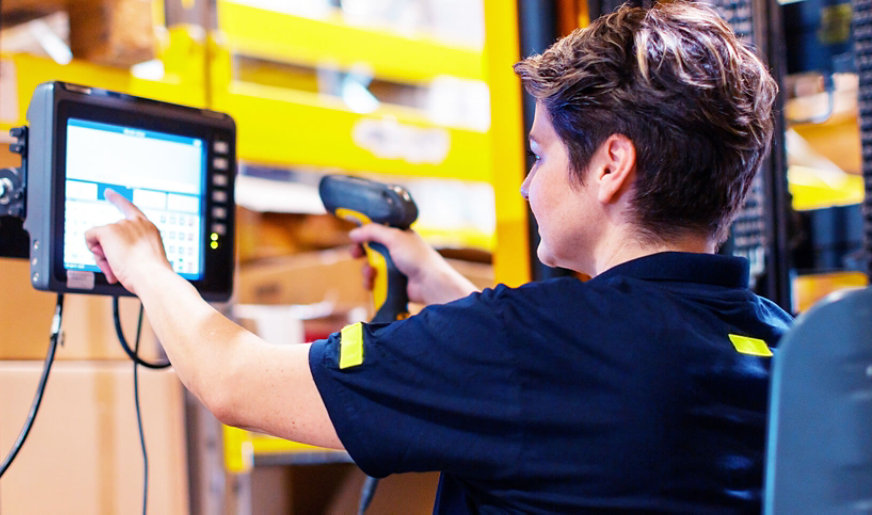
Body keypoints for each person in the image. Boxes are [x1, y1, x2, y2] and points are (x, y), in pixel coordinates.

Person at [85, 2, 788, 512]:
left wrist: (146, 262)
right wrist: (447, 288)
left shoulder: (521, 340)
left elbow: (232, 380)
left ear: (610, 166)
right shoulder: (785, 347)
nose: (526, 182)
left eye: (540, 154)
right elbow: (581, 390)